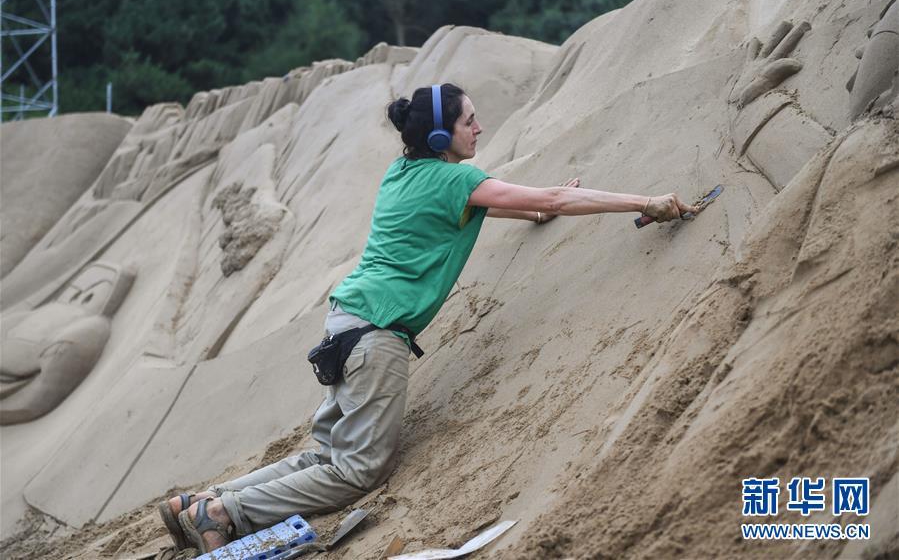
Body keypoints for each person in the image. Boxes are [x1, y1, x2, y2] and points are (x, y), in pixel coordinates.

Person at [160, 83, 696, 553]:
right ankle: (225, 515)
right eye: (469, 121)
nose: (479, 127)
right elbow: (544, 193)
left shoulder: (403, 173)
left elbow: (481, 205)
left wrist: (534, 213)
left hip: (344, 325)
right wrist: (643, 200)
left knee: (327, 450)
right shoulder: (454, 181)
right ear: (441, 138)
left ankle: (202, 501)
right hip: (377, 341)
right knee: (358, 469)